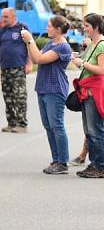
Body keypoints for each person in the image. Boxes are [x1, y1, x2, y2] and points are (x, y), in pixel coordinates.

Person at [20, 16, 72, 173]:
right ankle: (56, 160)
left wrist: (30, 41)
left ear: (57, 29)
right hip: (43, 88)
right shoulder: (51, 43)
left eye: (49, 26)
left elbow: (40, 58)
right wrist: (28, 44)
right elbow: (34, 58)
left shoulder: (62, 46)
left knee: (57, 125)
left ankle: (62, 162)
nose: (47, 28)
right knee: (49, 127)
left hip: (54, 89)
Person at [72, 13, 104, 179]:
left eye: (87, 26)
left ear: (96, 27)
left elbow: (102, 70)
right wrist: (78, 58)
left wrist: (82, 63)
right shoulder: (93, 44)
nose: (84, 28)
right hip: (88, 92)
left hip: (95, 92)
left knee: (96, 130)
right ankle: (94, 163)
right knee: (89, 130)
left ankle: (100, 165)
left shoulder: (102, 45)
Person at [0, 7, 33, 133]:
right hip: (5, 68)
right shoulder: (3, 30)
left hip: (18, 68)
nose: (3, 19)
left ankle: (22, 124)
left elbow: (29, 45)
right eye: (3, 16)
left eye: (6, 17)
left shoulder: (22, 28)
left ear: (14, 16)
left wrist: (29, 63)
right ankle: (11, 122)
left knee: (19, 96)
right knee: (8, 96)